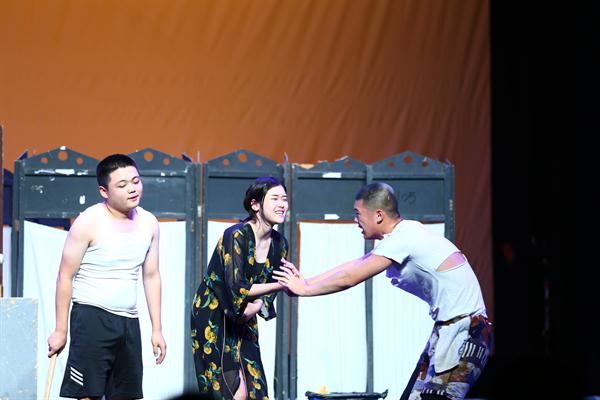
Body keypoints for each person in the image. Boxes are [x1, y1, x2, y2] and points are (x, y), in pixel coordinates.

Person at [274, 182, 492, 400]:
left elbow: (350, 278)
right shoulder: (404, 234)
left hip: (465, 331)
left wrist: (304, 290)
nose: (355, 220)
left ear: (378, 215)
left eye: (358, 214)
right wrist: (306, 282)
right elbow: (356, 264)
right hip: (449, 329)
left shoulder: (405, 237)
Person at [47, 154, 167, 399]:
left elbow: (151, 276)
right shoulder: (88, 222)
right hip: (91, 317)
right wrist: (61, 329)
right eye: (122, 185)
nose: (132, 189)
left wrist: (157, 329)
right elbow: (65, 276)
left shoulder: (150, 223)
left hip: (128, 321)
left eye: (136, 181)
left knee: (126, 394)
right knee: (88, 393)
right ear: (104, 191)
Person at [191, 176, 290, 400]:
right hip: (215, 313)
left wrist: (257, 305)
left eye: (284, 199)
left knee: (254, 383)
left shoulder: (279, 243)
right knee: (228, 386)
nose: (281, 204)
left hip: (247, 314)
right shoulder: (236, 235)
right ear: (255, 204)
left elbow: (270, 286)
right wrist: (282, 284)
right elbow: (234, 286)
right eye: (275, 198)